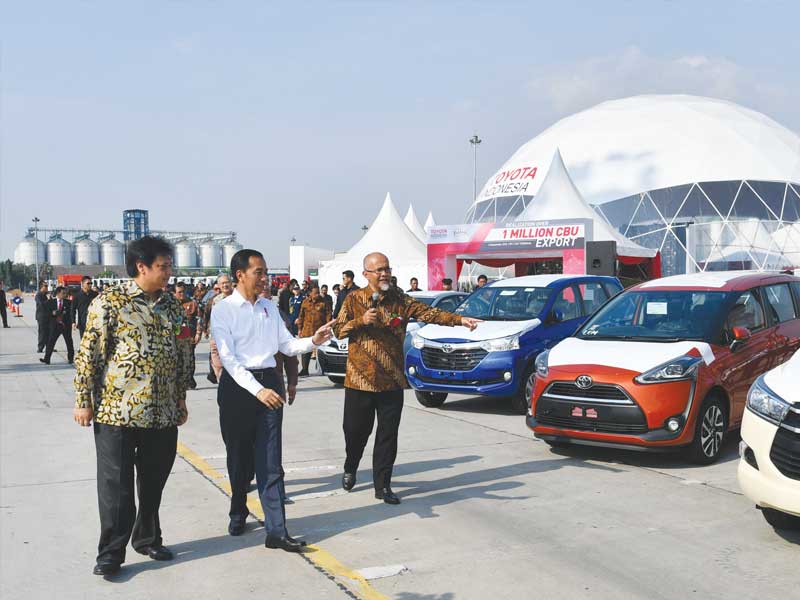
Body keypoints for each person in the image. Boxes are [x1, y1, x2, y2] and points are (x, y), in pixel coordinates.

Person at [73, 236, 189, 577]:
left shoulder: (172, 306)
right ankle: (111, 552)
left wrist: (181, 397)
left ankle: (148, 538)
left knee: (154, 481)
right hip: (116, 412)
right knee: (116, 487)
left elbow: (181, 354)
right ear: (142, 266)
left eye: (170, 266)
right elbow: (89, 355)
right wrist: (83, 401)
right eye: (163, 266)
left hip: (163, 412)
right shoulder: (109, 303)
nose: (169, 273)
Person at [210, 249, 334, 550]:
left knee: (270, 459)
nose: (265, 278)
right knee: (238, 458)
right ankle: (238, 509)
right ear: (240, 275)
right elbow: (228, 358)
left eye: (265, 272)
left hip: (269, 382)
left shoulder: (268, 308)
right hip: (238, 388)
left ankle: (276, 530)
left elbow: (287, 345)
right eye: (259, 272)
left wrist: (312, 341)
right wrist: (257, 390)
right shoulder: (223, 310)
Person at [333, 253, 480, 504]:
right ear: (366, 274)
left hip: (392, 380)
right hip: (359, 380)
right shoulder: (354, 299)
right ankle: (351, 466)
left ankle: (383, 485)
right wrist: (361, 320)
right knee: (355, 432)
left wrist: (459, 320)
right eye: (378, 270)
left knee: (388, 435)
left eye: (387, 268)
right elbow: (338, 330)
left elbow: (429, 313)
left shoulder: (400, 299)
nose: (384, 274)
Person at [295, 284, 333, 376]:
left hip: (319, 331)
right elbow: (301, 317)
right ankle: (304, 369)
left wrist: (328, 328)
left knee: (322, 351)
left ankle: (323, 369)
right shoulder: (305, 302)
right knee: (306, 351)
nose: (317, 295)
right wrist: (299, 329)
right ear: (310, 293)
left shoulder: (324, 302)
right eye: (315, 293)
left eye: (318, 292)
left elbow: (329, 316)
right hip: (306, 330)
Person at [207, 274, 233, 383]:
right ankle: (221, 380)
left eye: (227, 282)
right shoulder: (216, 300)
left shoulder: (239, 298)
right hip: (217, 337)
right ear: (218, 286)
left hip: (233, 338)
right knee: (218, 364)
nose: (225, 285)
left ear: (231, 283)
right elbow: (212, 318)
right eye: (222, 283)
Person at [40, 286, 75, 364]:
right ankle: (47, 358)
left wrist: (72, 321)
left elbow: (71, 313)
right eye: (63, 293)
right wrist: (52, 313)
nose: (65, 294)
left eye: (65, 293)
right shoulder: (50, 302)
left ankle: (71, 358)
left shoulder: (68, 302)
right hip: (55, 325)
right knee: (51, 342)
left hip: (65, 325)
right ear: (58, 293)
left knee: (69, 342)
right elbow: (43, 310)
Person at [174, 282, 199, 390]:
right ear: (175, 293)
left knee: (190, 360)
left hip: (189, 337)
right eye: (179, 292)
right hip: (175, 338)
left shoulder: (192, 303)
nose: (182, 294)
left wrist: (198, 333)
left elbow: (199, 319)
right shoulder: (171, 304)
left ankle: (189, 379)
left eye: (183, 291)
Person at [35, 281, 49, 352]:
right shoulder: (38, 295)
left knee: (48, 332)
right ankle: (40, 347)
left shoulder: (45, 295)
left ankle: (49, 347)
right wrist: (48, 301)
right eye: (45, 286)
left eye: (47, 286)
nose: (47, 287)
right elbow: (40, 304)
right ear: (41, 287)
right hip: (41, 317)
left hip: (47, 316)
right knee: (42, 332)